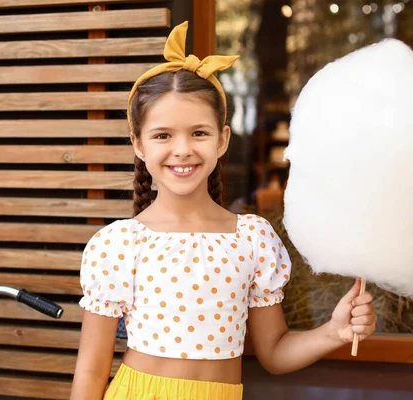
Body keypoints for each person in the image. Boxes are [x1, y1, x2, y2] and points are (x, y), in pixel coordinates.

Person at [70, 21, 377, 400]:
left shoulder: (252, 239)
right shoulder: (118, 244)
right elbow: (92, 368)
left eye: (198, 132)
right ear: (138, 143)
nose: (182, 149)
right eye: (163, 135)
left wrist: (334, 332)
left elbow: (275, 353)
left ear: (222, 140)